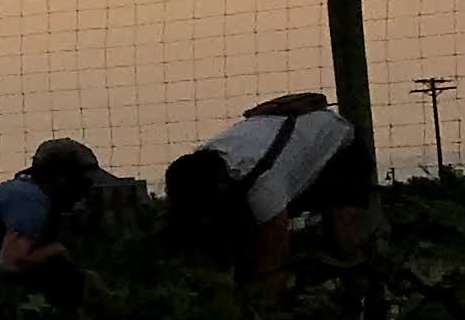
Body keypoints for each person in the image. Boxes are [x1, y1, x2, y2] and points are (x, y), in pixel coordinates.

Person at [161, 93, 376, 288]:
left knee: (344, 242)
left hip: (339, 152)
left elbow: (274, 257)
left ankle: (366, 285)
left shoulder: (262, 184)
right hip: (289, 155)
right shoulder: (201, 165)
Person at [0, 138, 107, 280]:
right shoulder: (32, 202)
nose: (86, 192)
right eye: (83, 183)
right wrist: (56, 251)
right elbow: (11, 264)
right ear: (61, 178)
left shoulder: (25, 192)